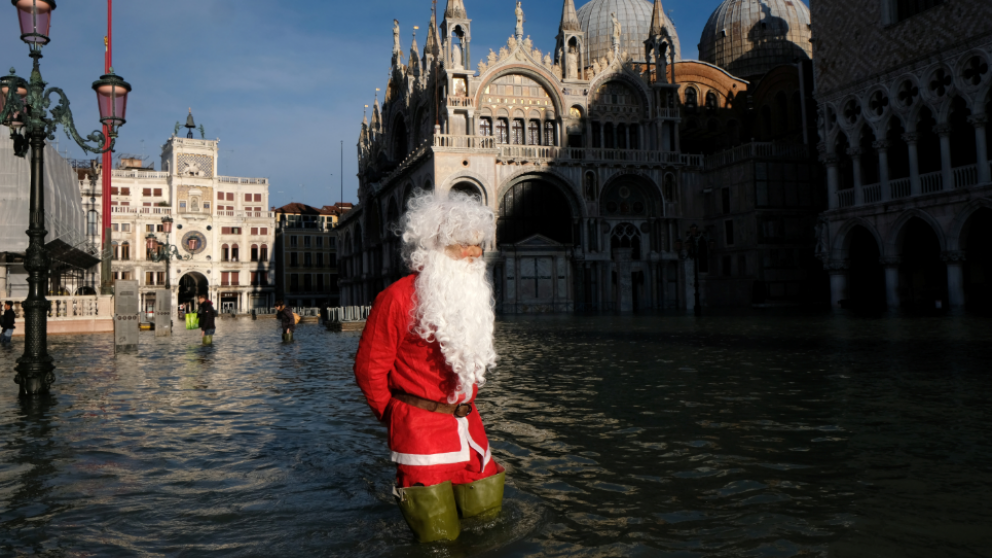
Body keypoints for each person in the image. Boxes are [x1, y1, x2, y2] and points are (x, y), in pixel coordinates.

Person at [354, 191, 504, 543]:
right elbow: (369, 370)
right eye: (464, 244)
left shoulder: (470, 297)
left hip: (470, 433)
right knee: (439, 543)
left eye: (478, 243)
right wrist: (397, 417)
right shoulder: (396, 298)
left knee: (488, 529)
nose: (475, 252)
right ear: (436, 245)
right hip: (421, 437)